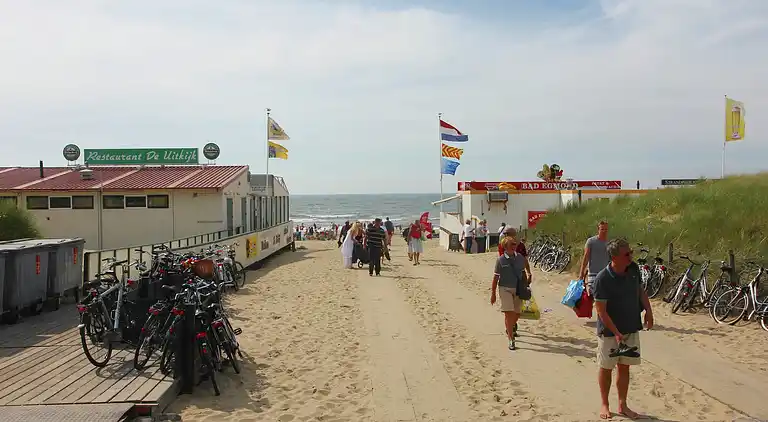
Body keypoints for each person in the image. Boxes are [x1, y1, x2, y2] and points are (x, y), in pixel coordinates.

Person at [593, 238, 653, 420]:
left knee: (625, 366)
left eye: (631, 252)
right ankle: (605, 404)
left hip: (630, 327)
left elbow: (640, 291)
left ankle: (623, 405)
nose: (631, 256)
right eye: (627, 254)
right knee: (606, 367)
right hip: (610, 333)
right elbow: (601, 311)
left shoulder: (634, 269)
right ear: (614, 257)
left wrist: (649, 311)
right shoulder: (602, 279)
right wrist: (616, 332)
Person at [490, 235, 531, 351]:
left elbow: (523, 271)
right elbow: (495, 278)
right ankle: (511, 339)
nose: (514, 246)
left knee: (517, 314)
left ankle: (510, 327)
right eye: (511, 244)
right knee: (509, 313)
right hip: (505, 288)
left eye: (515, 244)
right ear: (505, 247)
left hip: (518, 288)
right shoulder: (500, 260)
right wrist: (493, 293)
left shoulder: (520, 258)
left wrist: (528, 280)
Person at [579, 221, 610, 296]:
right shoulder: (591, 241)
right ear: (598, 229)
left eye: (606, 229)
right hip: (593, 273)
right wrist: (581, 272)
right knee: (594, 296)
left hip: (606, 274)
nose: (604, 231)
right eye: (602, 229)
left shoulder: (609, 243)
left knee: (604, 297)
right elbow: (586, 257)